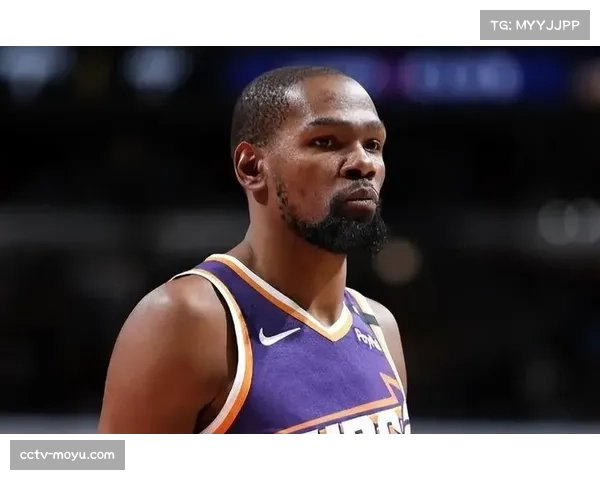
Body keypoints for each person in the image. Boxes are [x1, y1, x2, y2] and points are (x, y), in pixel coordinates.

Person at [98, 65, 410, 435]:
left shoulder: (380, 327)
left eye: (373, 144)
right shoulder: (187, 319)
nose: (363, 163)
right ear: (251, 167)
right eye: (326, 142)